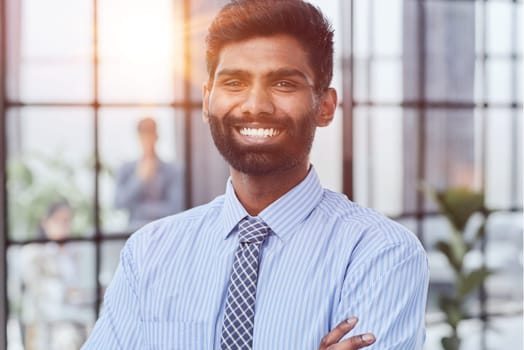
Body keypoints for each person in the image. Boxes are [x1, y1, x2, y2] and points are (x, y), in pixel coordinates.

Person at [83, 1, 429, 349]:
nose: (255, 105)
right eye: (234, 82)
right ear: (207, 101)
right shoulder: (148, 253)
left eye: (282, 84)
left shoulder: (382, 253)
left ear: (324, 105)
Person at [20, 199, 91, 350]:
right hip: (49, 322)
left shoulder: (78, 252)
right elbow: (39, 290)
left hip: (81, 316)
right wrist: (68, 292)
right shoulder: (33, 253)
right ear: (46, 222)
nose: (63, 225)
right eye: (58, 220)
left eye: (67, 221)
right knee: (67, 339)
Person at [114, 117, 184, 229]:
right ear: (138, 138)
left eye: (150, 135)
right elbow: (118, 203)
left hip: (164, 231)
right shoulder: (126, 168)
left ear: (157, 137)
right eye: (143, 136)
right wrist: (139, 179)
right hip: (133, 233)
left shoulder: (173, 170)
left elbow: (176, 207)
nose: (147, 141)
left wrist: (140, 210)